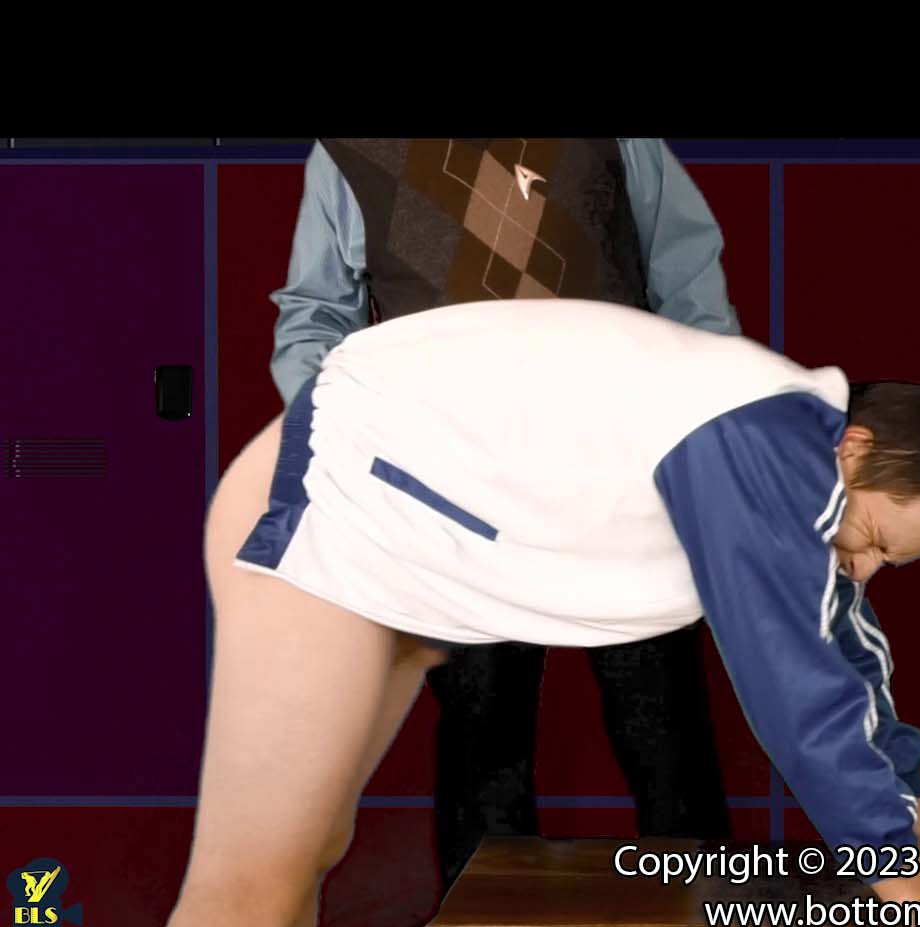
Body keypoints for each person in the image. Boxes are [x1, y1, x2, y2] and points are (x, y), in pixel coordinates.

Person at [167, 297, 920, 927]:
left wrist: (917, 816)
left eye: (887, 562)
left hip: (409, 543)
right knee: (249, 889)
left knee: (311, 849)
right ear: (854, 448)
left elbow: (843, 650)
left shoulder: (791, 462)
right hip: (338, 493)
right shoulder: (760, 441)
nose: (861, 567)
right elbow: (794, 683)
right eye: (870, 538)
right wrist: (897, 876)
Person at [268, 138, 742, 889]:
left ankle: (707, 922)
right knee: (483, 745)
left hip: (619, 484)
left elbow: (689, 292)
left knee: (665, 735)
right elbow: (317, 315)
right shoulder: (356, 152)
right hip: (455, 496)